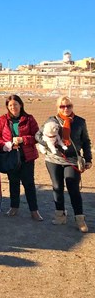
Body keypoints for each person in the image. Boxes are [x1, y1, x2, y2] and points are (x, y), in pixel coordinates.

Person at [35, 96, 92, 232]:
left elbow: (86, 141)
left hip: (72, 160)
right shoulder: (51, 120)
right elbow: (37, 135)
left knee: (73, 187)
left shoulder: (80, 122)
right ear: (58, 107)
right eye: (62, 106)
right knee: (57, 187)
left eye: (68, 106)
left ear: (72, 107)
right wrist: (49, 143)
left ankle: (80, 219)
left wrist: (88, 159)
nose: (65, 109)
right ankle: (60, 215)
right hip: (53, 159)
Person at [0, 95, 42, 221]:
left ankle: (34, 211)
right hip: (11, 156)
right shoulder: (3, 119)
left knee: (29, 184)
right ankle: (14, 207)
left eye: (15, 104)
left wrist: (23, 139)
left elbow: (37, 136)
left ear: (20, 105)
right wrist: (5, 145)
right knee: (13, 183)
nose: (13, 107)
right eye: (10, 105)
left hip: (27, 157)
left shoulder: (29, 119)